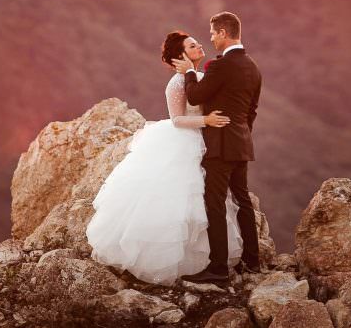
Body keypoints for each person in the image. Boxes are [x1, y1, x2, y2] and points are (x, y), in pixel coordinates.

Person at [85, 31, 243, 285]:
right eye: (192, 45)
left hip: (206, 143)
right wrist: (206, 120)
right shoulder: (176, 83)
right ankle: (170, 260)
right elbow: (177, 119)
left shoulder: (200, 77)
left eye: (197, 42)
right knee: (178, 199)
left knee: (207, 200)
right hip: (183, 143)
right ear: (180, 56)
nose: (199, 45)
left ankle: (206, 259)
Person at [172, 11, 262, 284]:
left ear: (223, 33)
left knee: (215, 203)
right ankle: (253, 262)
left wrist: (189, 72)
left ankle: (219, 268)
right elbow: (252, 111)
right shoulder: (253, 67)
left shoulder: (221, 66)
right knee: (243, 201)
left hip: (220, 145)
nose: (210, 38)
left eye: (212, 33)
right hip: (241, 143)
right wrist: (240, 133)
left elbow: (196, 96)